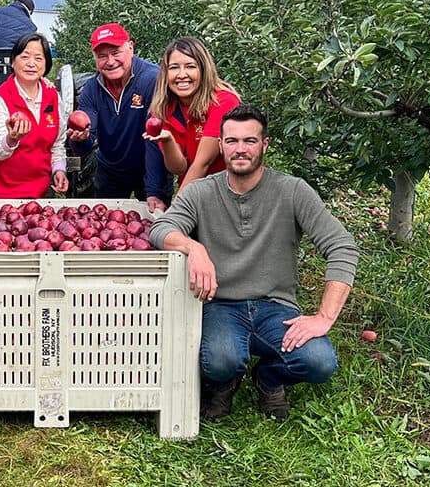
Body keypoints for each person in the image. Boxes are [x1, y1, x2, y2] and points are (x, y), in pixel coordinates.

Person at [148, 104, 359, 421]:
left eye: (250, 141)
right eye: (232, 141)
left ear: (265, 145)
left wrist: (324, 317)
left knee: (319, 362)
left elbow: (341, 246)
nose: (240, 149)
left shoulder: (292, 191)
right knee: (220, 360)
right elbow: (160, 228)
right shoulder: (202, 192)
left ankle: (268, 379)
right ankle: (225, 381)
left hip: (275, 306)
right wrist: (194, 247)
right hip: (221, 305)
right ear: (220, 145)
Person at [66, 22, 171, 212]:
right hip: (111, 169)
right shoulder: (92, 88)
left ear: (130, 47)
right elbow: (86, 144)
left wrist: (153, 190)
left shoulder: (152, 80)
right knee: (105, 226)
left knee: (155, 228)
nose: (110, 61)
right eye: (102, 56)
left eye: (116, 53)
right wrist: (79, 139)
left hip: (150, 166)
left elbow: (155, 138)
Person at [0, 33, 68, 198]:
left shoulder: (53, 96)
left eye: (39, 58)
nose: (31, 63)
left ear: (46, 64)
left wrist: (59, 169)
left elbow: (57, 143)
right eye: (25, 57)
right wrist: (12, 139)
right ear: (13, 61)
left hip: (40, 193)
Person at [143, 37, 241, 189]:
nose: (182, 74)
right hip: (197, 192)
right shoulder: (162, 110)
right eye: (174, 67)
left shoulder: (223, 102)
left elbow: (203, 163)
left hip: (231, 190)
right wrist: (168, 141)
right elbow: (179, 168)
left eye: (190, 66)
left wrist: (177, 209)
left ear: (203, 69)